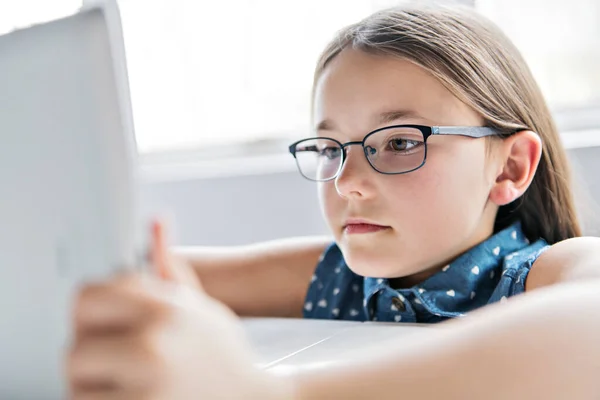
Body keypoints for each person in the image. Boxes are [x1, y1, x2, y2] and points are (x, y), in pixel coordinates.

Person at [67, 4, 600, 399]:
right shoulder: (336, 278)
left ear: (509, 168)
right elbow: (116, 285)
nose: (348, 183)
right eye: (330, 149)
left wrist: (269, 392)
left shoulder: (542, 273)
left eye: (399, 143)